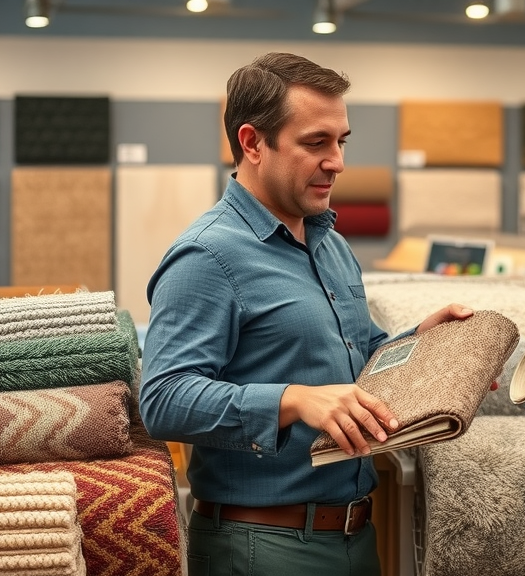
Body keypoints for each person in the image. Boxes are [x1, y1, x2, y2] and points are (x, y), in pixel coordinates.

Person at [139, 52, 474, 576]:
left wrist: (423, 344)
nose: (337, 161)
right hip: (259, 546)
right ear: (252, 143)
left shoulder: (330, 244)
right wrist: (292, 401)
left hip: (356, 537)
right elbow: (163, 399)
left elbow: (355, 363)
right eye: (315, 143)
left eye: (341, 141)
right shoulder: (206, 256)